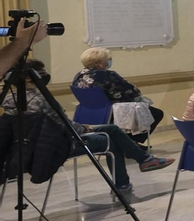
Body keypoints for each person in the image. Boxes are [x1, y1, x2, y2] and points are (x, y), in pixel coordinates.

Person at [3, 57, 173, 192]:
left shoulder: (8, 98)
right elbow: (63, 126)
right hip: (58, 144)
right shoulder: (41, 100)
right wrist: (85, 128)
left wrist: (82, 126)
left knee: (112, 129)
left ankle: (143, 161)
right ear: (29, 77)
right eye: (41, 73)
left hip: (32, 146)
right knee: (111, 141)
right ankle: (125, 181)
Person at [74, 47, 165, 140]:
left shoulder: (79, 75)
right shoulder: (108, 75)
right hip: (110, 111)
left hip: (88, 111)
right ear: (99, 62)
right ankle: (130, 141)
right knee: (156, 113)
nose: (110, 61)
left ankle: (126, 141)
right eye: (108, 59)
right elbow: (130, 92)